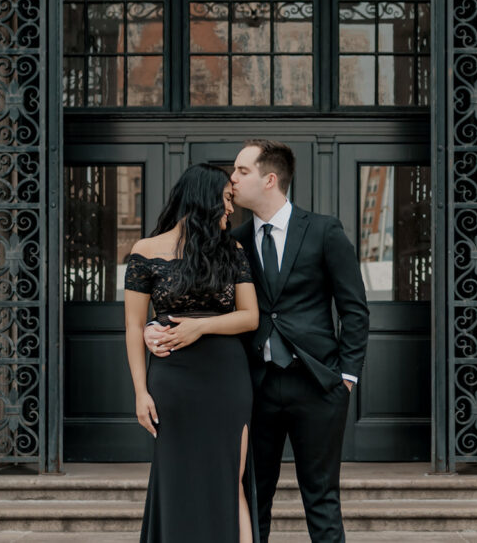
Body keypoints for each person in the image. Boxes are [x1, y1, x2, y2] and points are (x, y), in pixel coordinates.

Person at [147, 140, 370, 543]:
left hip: (318, 386)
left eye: (241, 171)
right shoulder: (231, 241)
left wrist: (347, 378)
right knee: (254, 496)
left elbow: (354, 309)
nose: (231, 179)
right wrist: (155, 327)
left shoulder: (323, 230)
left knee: (321, 499)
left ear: (270, 179)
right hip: (254, 386)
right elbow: (198, 299)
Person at [124, 163, 260, 543]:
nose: (231, 209)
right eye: (226, 200)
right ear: (203, 200)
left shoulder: (232, 250)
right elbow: (134, 326)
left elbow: (250, 317)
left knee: (229, 478)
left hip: (226, 378)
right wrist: (140, 392)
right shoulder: (145, 252)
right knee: (178, 478)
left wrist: (200, 326)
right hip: (173, 380)